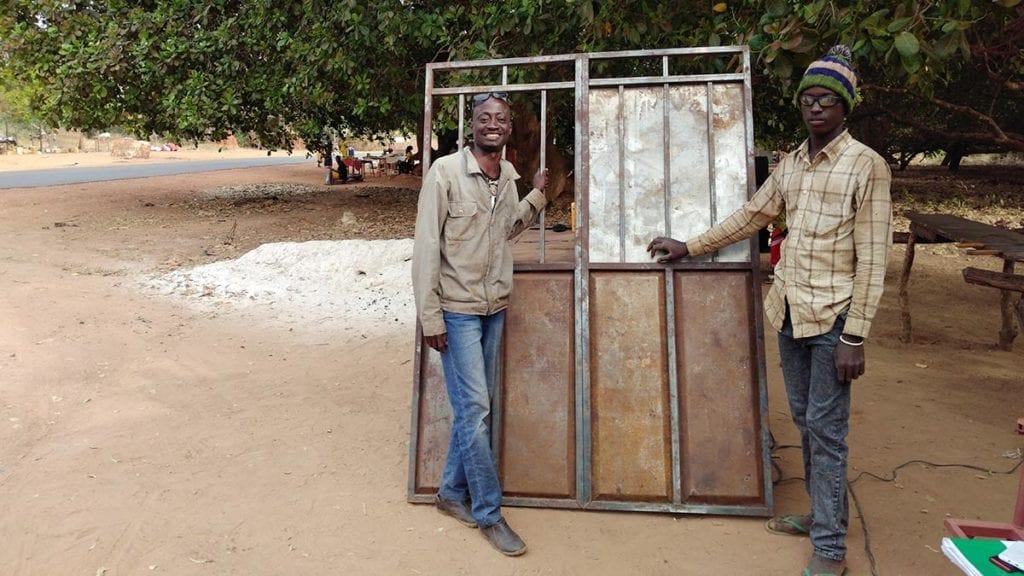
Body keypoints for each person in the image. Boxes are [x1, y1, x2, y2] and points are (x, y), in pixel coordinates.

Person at [647, 45, 891, 576]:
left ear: (845, 106)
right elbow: (753, 215)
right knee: (806, 420)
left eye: (827, 100)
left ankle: (830, 549)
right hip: (788, 313)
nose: (816, 108)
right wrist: (691, 245)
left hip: (832, 322)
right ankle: (826, 514)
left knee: (827, 430)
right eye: (808, 100)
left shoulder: (866, 167)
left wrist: (855, 336)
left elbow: (874, 258)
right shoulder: (793, 164)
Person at [411, 91, 548, 557]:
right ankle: (489, 512)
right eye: (485, 117)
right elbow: (428, 246)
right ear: (472, 126)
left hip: (495, 308)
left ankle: (451, 493)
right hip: (457, 309)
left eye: (502, 119)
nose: (494, 124)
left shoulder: (507, 176)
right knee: (476, 410)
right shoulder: (445, 172)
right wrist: (430, 315)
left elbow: (505, 229)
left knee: (474, 409)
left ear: (509, 128)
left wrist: (537, 195)